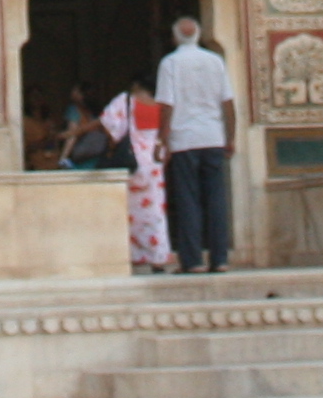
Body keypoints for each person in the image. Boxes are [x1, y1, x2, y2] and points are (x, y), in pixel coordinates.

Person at [156, 15, 235, 274]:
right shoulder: (215, 61)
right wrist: (230, 137)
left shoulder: (170, 63)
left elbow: (167, 105)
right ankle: (220, 258)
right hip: (213, 136)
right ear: (199, 35)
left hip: (184, 140)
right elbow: (228, 103)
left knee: (188, 200)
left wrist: (163, 140)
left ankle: (192, 261)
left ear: (175, 37)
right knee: (216, 200)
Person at [96, 71, 172, 272]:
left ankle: (136, 255)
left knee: (132, 211)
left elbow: (110, 125)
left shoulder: (126, 100)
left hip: (133, 159)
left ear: (137, 85)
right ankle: (158, 255)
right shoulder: (163, 105)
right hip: (155, 160)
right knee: (155, 210)